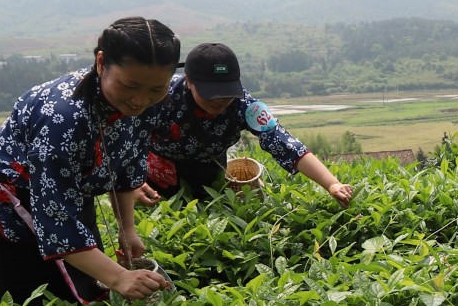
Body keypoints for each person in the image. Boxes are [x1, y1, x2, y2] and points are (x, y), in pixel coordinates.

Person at [0, 17, 178, 305]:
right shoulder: (62, 118)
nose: (140, 100)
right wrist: (120, 277)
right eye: (129, 85)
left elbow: (126, 165)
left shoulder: (148, 102)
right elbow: (57, 219)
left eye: (155, 89)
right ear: (101, 63)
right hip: (5, 205)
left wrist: (127, 230)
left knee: (93, 294)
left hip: (67, 195)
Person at [142, 42, 354, 206]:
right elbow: (129, 136)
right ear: (189, 81)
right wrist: (132, 184)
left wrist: (331, 183)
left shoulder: (244, 104)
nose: (219, 103)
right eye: (210, 95)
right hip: (156, 178)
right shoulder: (162, 95)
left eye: (225, 95)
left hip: (209, 176)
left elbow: (283, 141)